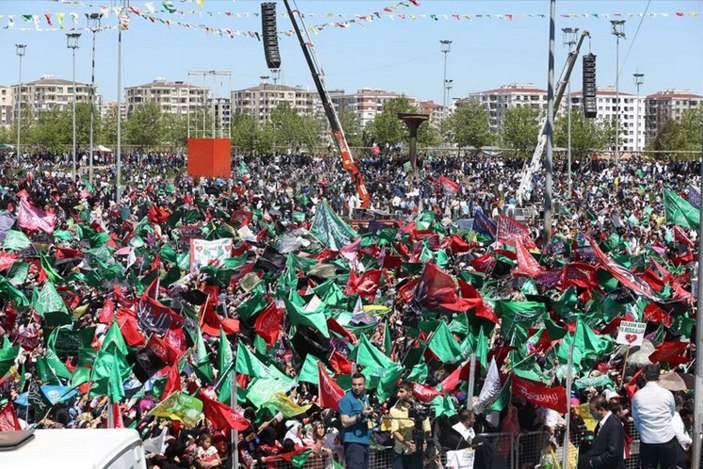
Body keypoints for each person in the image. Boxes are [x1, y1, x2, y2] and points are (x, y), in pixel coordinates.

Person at [631, 364, 678, 469]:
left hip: (647, 440)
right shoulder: (667, 394)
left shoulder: (637, 396)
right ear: (659, 376)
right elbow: (672, 413)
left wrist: (644, 431)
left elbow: (636, 419)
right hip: (666, 439)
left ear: (644, 376)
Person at [389, 381, 431, 469]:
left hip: (417, 451)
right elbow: (395, 431)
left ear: (410, 393)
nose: (398, 394)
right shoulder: (394, 410)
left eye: (401, 391)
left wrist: (424, 441)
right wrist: (407, 443)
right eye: (398, 391)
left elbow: (427, 429)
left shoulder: (421, 408)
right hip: (400, 451)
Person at [338, 372, 373, 469]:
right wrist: (361, 415)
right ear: (351, 385)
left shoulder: (365, 398)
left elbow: (366, 416)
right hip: (353, 443)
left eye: (360, 384)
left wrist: (371, 415)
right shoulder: (346, 399)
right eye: (354, 384)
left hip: (365, 441)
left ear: (364, 384)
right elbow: (344, 422)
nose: (357, 387)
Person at [588, 394, 625, 469]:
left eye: (592, 410)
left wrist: (595, 461)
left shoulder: (614, 425)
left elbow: (613, 453)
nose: (590, 413)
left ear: (601, 410)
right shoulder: (601, 423)